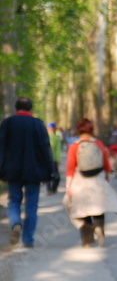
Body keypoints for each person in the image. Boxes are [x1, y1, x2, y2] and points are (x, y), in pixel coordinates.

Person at [0, 97, 57, 248]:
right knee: (32, 205)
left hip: (12, 171)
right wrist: (50, 171)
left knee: (14, 200)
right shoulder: (37, 124)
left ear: (16, 107)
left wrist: (1, 171)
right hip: (34, 172)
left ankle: (15, 222)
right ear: (30, 108)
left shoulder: (8, 123)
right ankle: (28, 239)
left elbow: (1, 148)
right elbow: (45, 149)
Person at [64, 118, 117, 247]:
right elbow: (105, 162)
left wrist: (68, 185)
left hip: (80, 180)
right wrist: (107, 175)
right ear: (92, 129)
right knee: (98, 207)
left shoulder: (74, 146)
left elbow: (70, 168)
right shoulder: (98, 143)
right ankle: (99, 229)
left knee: (82, 210)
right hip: (97, 178)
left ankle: (87, 240)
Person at [47, 122, 62, 194]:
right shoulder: (56, 138)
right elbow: (58, 150)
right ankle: (53, 189)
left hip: (48, 159)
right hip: (53, 159)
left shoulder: (44, 137)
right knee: (56, 176)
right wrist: (58, 159)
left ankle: (50, 189)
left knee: (48, 175)